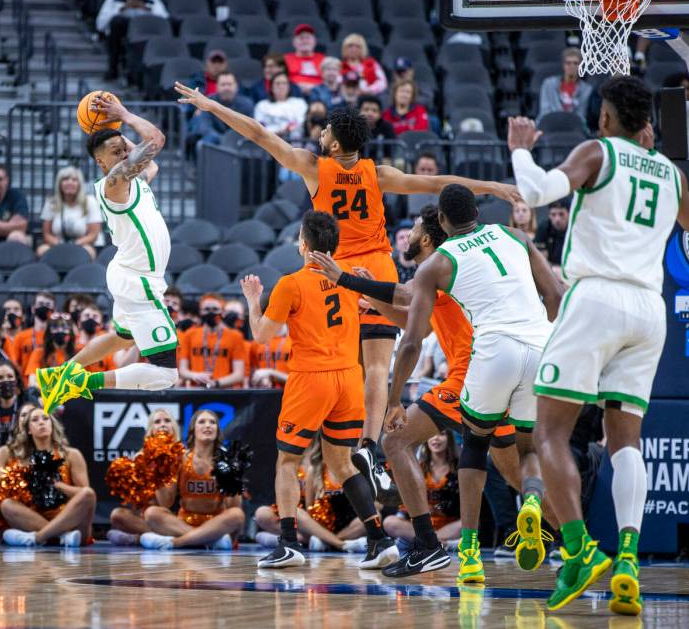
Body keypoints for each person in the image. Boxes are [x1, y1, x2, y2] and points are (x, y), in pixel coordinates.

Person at [173, 83, 517, 505]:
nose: (319, 136)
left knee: (335, 357)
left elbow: (259, 134)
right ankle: (369, 447)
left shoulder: (314, 167)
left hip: (331, 271)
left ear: (335, 139)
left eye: (324, 132)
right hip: (376, 267)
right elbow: (436, 183)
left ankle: (345, 444)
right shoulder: (379, 173)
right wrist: (493, 187)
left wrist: (209, 105)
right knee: (376, 367)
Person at [509, 75, 689, 614]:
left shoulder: (598, 150)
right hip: (648, 308)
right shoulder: (674, 175)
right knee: (625, 438)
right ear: (649, 127)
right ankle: (629, 558)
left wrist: (520, 151)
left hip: (597, 299)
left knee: (549, 433)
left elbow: (538, 192)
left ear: (607, 118)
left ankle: (581, 549)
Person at [309, 204, 541, 577]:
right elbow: (416, 319)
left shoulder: (441, 268)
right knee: (515, 475)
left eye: (415, 226)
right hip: (506, 368)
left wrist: (346, 279)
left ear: (429, 238)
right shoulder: (455, 272)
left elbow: (403, 296)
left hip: (472, 376)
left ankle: (428, 546)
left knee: (396, 442)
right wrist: (379, 301)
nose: (411, 233)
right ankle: (577, 542)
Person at [385, 185, 562, 583]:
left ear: (443, 223)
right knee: (527, 448)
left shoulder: (438, 263)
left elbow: (412, 341)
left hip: (493, 353)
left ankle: (468, 553)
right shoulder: (515, 235)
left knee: (475, 445)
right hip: (540, 347)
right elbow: (554, 294)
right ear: (478, 214)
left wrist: (395, 398)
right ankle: (535, 507)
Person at [240, 211, 399, 568]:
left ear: (304, 245)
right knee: (342, 464)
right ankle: (379, 539)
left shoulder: (291, 284)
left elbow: (262, 337)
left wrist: (253, 301)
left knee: (287, 461)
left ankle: (288, 542)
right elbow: (377, 307)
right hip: (348, 379)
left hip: (311, 378)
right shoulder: (348, 278)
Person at [34, 96, 179, 415]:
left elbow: (151, 159)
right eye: (116, 152)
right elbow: (156, 140)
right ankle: (82, 384)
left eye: (126, 149)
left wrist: (111, 129)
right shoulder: (114, 183)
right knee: (166, 374)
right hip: (139, 281)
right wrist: (123, 115)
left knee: (121, 338)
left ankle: (60, 375)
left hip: (131, 273)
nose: (126, 152)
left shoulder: (136, 178)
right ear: (101, 163)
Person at [140, 409, 245, 549]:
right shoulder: (180, 459)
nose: (207, 425)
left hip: (216, 524)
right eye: (202, 422)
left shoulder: (225, 461)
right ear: (193, 430)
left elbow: (234, 507)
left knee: (237, 515)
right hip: (184, 523)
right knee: (152, 513)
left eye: (212, 422)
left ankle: (174, 543)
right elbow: (166, 503)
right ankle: (209, 541)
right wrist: (161, 470)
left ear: (217, 431)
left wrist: (233, 477)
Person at [0, 406, 96, 547]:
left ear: (52, 425)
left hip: (73, 524)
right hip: (37, 519)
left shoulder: (71, 455)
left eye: (45, 418)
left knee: (88, 494)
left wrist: (58, 485)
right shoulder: (23, 461)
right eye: (35, 420)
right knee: (6, 505)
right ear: (28, 430)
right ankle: (61, 537)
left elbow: (85, 496)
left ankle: (37, 538)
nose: (41, 422)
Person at [107, 408, 182, 546]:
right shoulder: (140, 457)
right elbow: (137, 502)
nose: (163, 424)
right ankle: (151, 536)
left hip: (169, 515)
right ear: (151, 430)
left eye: (167, 420)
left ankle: (139, 538)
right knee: (117, 515)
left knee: (154, 513)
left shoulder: (182, 455)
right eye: (157, 422)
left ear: (174, 427)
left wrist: (158, 464)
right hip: (146, 515)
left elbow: (166, 503)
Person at [383, 431, 461, 545]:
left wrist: (439, 510)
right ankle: (439, 542)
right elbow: (405, 505)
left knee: (468, 524)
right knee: (389, 522)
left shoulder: (459, 468)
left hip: (449, 525)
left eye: (441, 434)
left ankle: (430, 542)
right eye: (432, 435)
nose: (436, 438)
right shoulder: (419, 467)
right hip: (421, 526)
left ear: (449, 439)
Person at [96, 0, 168, 81]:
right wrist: (122, 8)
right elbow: (100, 24)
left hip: (146, 34)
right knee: (117, 22)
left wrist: (146, 8)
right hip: (120, 33)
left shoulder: (153, 0)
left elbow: (165, 21)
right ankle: (113, 68)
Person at [178, 294, 245, 389]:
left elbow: (239, 374)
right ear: (200, 312)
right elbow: (182, 370)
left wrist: (216, 383)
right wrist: (195, 375)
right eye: (206, 309)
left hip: (224, 391)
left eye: (215, 309)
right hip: (196, 391)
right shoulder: (189, 335)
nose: (211, 313)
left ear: (222, 312)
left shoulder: (235, 336)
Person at [37, 166, 102, 259]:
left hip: (84, 245)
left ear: (79, 184)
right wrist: (59, 244)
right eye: (65, 179)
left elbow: (93, 235)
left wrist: (74, 245)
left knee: (88, 252)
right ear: (59, 184)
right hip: (58, 245)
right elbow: (46, 234)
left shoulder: (90, 201)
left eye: (74, 180)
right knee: (41, 251)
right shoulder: (51, 202)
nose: (69, 182)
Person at [188, 71, 254, 147]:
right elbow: (204, 127)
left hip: (238, 145)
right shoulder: (207, 101)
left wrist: (230, 141)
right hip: (214, 144)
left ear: (236, 86)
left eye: (229, 84)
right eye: (223, 84)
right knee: (205, 141)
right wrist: (224, 141)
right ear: (217, 87)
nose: (226, 88)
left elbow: (250, 130)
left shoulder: (247, 104)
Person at [0, 361, 24, 480]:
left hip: (24, 465)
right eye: (0, 378)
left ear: (16, 380)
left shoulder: (25, 404)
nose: (5, 381)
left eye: (10, 376)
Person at [537, 48, 592, 125]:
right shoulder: (548, 84)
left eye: (575, 63)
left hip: (573, 126)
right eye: (568, 63)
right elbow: (545, 111)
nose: (572, 66)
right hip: (551, 124)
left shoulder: (586, 89)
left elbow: (581, 115)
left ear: (580, 66)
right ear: (563, 65)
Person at [25, 313, 76, 388]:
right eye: (55, 327)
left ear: (70, 331)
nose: (60, 330)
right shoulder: (39, 353)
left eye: (64, 327)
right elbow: (32, 382)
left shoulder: (77, 352)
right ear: (49, 331)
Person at [12, 292, 55, 380]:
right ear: (33, 309)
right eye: (40, 304)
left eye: (48, 305)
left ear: (53, 310)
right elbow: (14, 364)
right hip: (27, 385)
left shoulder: (57, 337)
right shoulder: (20, 336)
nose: (44, 307)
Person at [254, 73, 308, 141]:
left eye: (284, 83)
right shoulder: (261, 105)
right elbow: (259, 127)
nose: (281, 86)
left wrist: (284, 130)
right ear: (271, 87)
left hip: (292, 142)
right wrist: (276, 132)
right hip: (269, 141)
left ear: (289, 86)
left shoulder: (299, 103)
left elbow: (300, 123)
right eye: (278, 83)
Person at [0, 163, 29, 246]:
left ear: (6, 180)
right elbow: (14, 227)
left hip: (10, 240)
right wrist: (8, 227)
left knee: (17, 236)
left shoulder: (17, 196)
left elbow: (21, 227)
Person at [283, 24, 325, 96]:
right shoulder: (285, 59)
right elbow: (280, 79)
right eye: (301, 38)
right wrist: (298, 86)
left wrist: (314, 88)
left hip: (320, 94)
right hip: (293, 93)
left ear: (314, 42)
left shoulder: (323, 59)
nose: (305, 41)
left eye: (308, 38)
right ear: (294, 42)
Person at [75, 304, 116, 374]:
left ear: (101, 324)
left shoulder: (106, 348)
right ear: (79, 323)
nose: (90, 319)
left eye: (95, 317)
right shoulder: (71, 344)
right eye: (86, 316)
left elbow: (112, 372)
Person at [358, 95, 396, 164]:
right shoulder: (353, 128)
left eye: (374, 111)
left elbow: (391, 152)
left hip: (381, 166)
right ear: (359, 111)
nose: (370, 113)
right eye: (366, 109)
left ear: (380, 114)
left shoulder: (387, 127)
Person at [534, 200, 569, 266]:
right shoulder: (544, 228)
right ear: (549, 215)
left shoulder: (575, 228)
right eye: (553, 215)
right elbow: (541, 260)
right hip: (552, 269)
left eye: (561, 214)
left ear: (569, 214)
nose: (557, 219)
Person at [406, 153, 440, 218]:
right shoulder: (404, 190)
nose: (426, 173)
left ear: (436, 170)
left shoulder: (442, 191)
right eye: (422, 169)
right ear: (416, 169)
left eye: (430, 170)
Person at [392, 219, 416, 284]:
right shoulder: (390, 266)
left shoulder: (425, 266)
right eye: (401, 237)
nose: (405, 241)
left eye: (409, 236)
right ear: (396, 244)